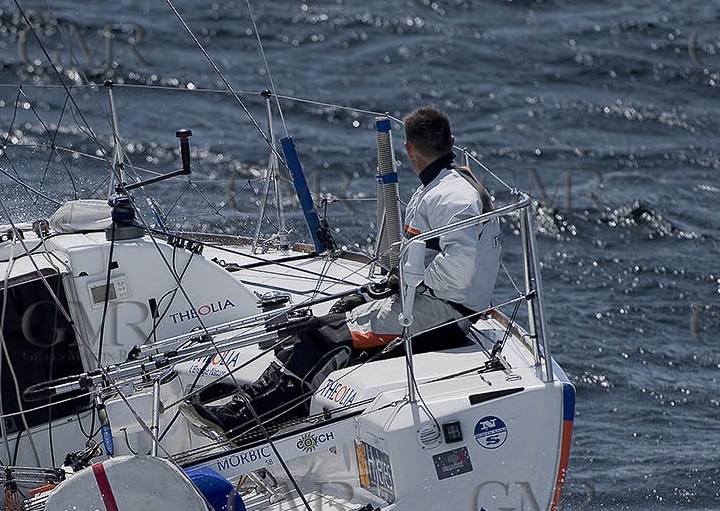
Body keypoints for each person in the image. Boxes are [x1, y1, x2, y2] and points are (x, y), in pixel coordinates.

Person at [186, 105, 503, 437]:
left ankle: (251, 419)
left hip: (446, 314)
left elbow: (457, 272)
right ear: (450, 141)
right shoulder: (450, 184)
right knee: (319, 320)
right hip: (436, 302)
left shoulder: (451, 197)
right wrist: (395, 285)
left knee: (328, 337)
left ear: (408, 148)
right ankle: (254, 402)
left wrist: (410, 285)